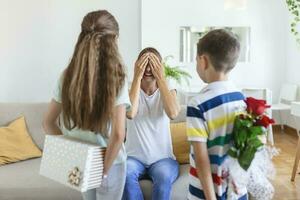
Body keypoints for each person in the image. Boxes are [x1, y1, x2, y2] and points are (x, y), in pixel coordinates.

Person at [42, 10, 130, 200]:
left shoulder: (66, 76)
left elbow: (48, 123)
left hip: (80, 161)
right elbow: (118, 134)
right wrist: (104, 171)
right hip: (111, 163)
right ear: (114, 40)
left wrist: (70, 154)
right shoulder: (117, 78)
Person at [186, 29, 247, 200]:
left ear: (203, 60)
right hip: (237, 191)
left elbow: (201, 159)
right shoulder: (241, 99)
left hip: (206, 194)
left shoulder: (198, 105)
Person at [123, 47, 180, 200]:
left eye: (153, 64)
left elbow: (173, 113)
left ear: (160, 67)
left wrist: (161, 78)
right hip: (133, 158)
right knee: (124, 173)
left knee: (163, 178)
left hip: (163, 159)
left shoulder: (170, 91)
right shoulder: (129, 92)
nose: (148, 68)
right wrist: (136, 76)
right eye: (144, 64)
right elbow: (130, 113)